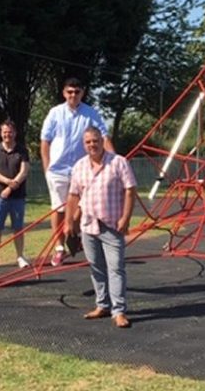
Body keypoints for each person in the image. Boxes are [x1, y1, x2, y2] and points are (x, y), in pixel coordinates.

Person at [64, 126, 136, 328]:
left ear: (102, 141)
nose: (92, 145)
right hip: (88, 225)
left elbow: (130, 191)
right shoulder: (79, 166)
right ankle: (102, 304)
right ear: (83, 144)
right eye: (88, 142)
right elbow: (73, 195)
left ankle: (119, 310)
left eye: (95, 140)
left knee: (116, 268)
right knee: (96, 267)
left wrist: (126, 218)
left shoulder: (118, 162)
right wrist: (69, 221)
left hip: (112, 224)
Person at [41, 77, 114, 266]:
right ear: (64, 93)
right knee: (59, 208)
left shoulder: (90, 113)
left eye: (77, 91)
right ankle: (59, 247)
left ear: (82, 93)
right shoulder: (55, 113)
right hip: (58, 169)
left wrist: (115, 161)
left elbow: (103, 137)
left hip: (82, 169)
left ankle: (77, 237)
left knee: (84, 205)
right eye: (70, 92)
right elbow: (45, 141)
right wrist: (47, 167)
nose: (73, 95)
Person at [0, 119, 30, 269]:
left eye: (10, 132)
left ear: (15, 133)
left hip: (17, 197)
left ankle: (20, 257)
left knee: (18, 228)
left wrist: (11, 186)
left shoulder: (22, 151)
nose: (7, 135)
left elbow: (24, 171)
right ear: (1, 133)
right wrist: (8, 181)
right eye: (4, 132)